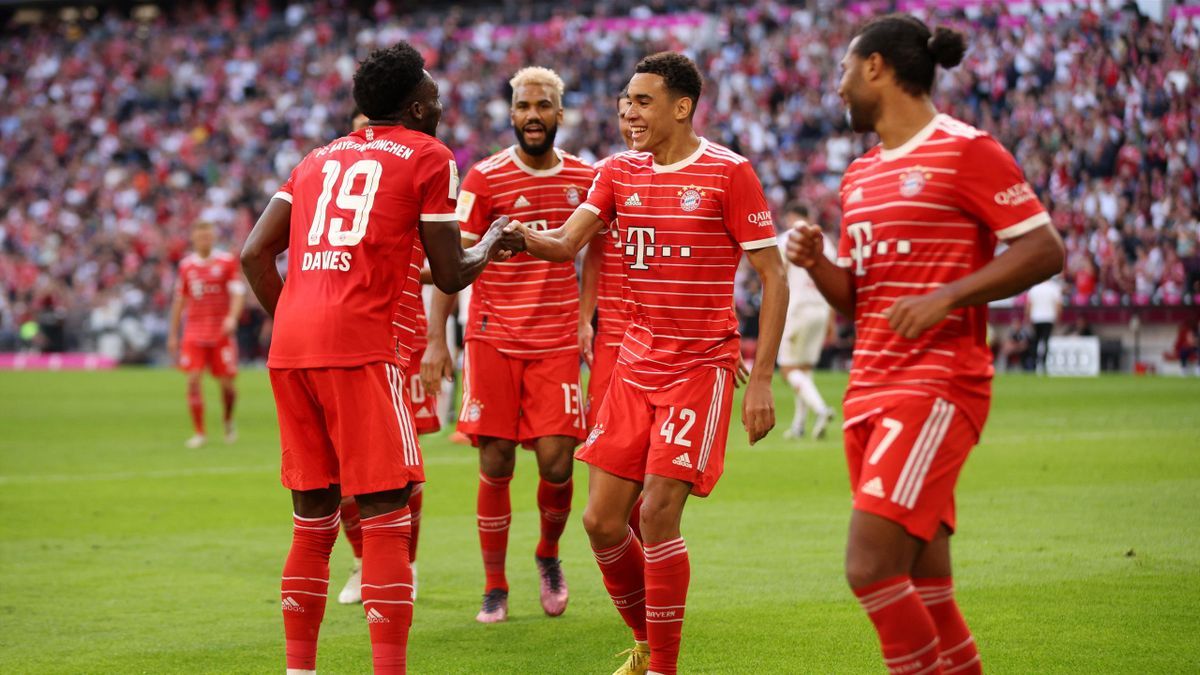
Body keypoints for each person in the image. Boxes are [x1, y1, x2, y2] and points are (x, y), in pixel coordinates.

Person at [786, 15, 1064, 675]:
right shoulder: (858, 177)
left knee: (870, 567)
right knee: (928, 587)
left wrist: (947, 295)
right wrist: (819, 262)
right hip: (868, 390)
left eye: (845, 73)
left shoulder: (966, 150)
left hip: (937, 385)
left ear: (877, 67)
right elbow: (861, 299)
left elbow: (1044, 248)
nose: (838, 88)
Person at [240, 42, 520, 674]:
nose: (443, 108)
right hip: (362, 347)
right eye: (438, 99)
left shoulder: (314, 160)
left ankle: (298, 669)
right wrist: (496, 240)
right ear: (417, 106)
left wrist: (293, 320)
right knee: (386, 514)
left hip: (292, 350)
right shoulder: (430, 156)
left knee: (311, 519)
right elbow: (450, 275)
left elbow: (254, 255)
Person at [506, 51, 788, 675]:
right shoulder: (614, 172)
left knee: (658, 513)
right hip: (635, 363)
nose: (627, 111)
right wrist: (513, 236)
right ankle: (645, 642)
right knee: (603, 522)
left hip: (700, 365)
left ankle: (663, 666)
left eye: (642, 100)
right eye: (625, 101)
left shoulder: (728, 173)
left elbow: (774, 274)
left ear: (681, 107)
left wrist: (761, 377)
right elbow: (565, 244)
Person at [422, 67, 596, 623]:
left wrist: (587, 319)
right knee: (495, 460)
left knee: (557, 463)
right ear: (512, 112)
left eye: (544, 106)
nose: (533, 116)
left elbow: (597, 257)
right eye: (524, 106)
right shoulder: (485, 178)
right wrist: (435, 340)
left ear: (559, 114)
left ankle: (548, 554)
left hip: (555, 338)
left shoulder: (587, 179)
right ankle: (494, 585)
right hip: (494, 335)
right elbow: (452, 263)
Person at [335, 109, 439, 606]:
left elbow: (439, 261)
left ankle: (407, 563)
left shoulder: (416, 182)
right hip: (348, 341)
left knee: (402, 464)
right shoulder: (338, 192)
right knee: (340, 468)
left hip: (405, 342)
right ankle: (360, 561)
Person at [166, 220, 245, 449]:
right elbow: (179, 302)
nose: (205, 240)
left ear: (213, 238)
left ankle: (228, 421)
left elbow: (238, 294)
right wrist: (173, 335)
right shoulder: (186, 266)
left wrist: (232, 317)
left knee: (227, 385)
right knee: (192, 379)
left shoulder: (227, 262)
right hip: (194, 330)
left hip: (221, 331)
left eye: (208, 236)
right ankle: (199, 432)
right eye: (201, 237)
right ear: (193, 238)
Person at [776, 202, 837, 440]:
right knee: (805, 370)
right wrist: (831, 319)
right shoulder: (825, 241)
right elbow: (833, 279)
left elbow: (778, 274)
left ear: (791, 216)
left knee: (789, 369)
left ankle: (821, 410)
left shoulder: (788, 237)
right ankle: (799, 425)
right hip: (821, 309)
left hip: (797, 309)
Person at [1025, 275, 1063, 374]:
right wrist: (1058, 318)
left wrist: (1028, 318)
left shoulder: (1034, 288)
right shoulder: (1054, 288)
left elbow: (1029, 305)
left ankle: (1034, 364)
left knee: (1036, 341)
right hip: (1048, 318)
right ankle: (1043, 364)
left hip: (1036, 318)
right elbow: (1058, 305)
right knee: (1045, 341)